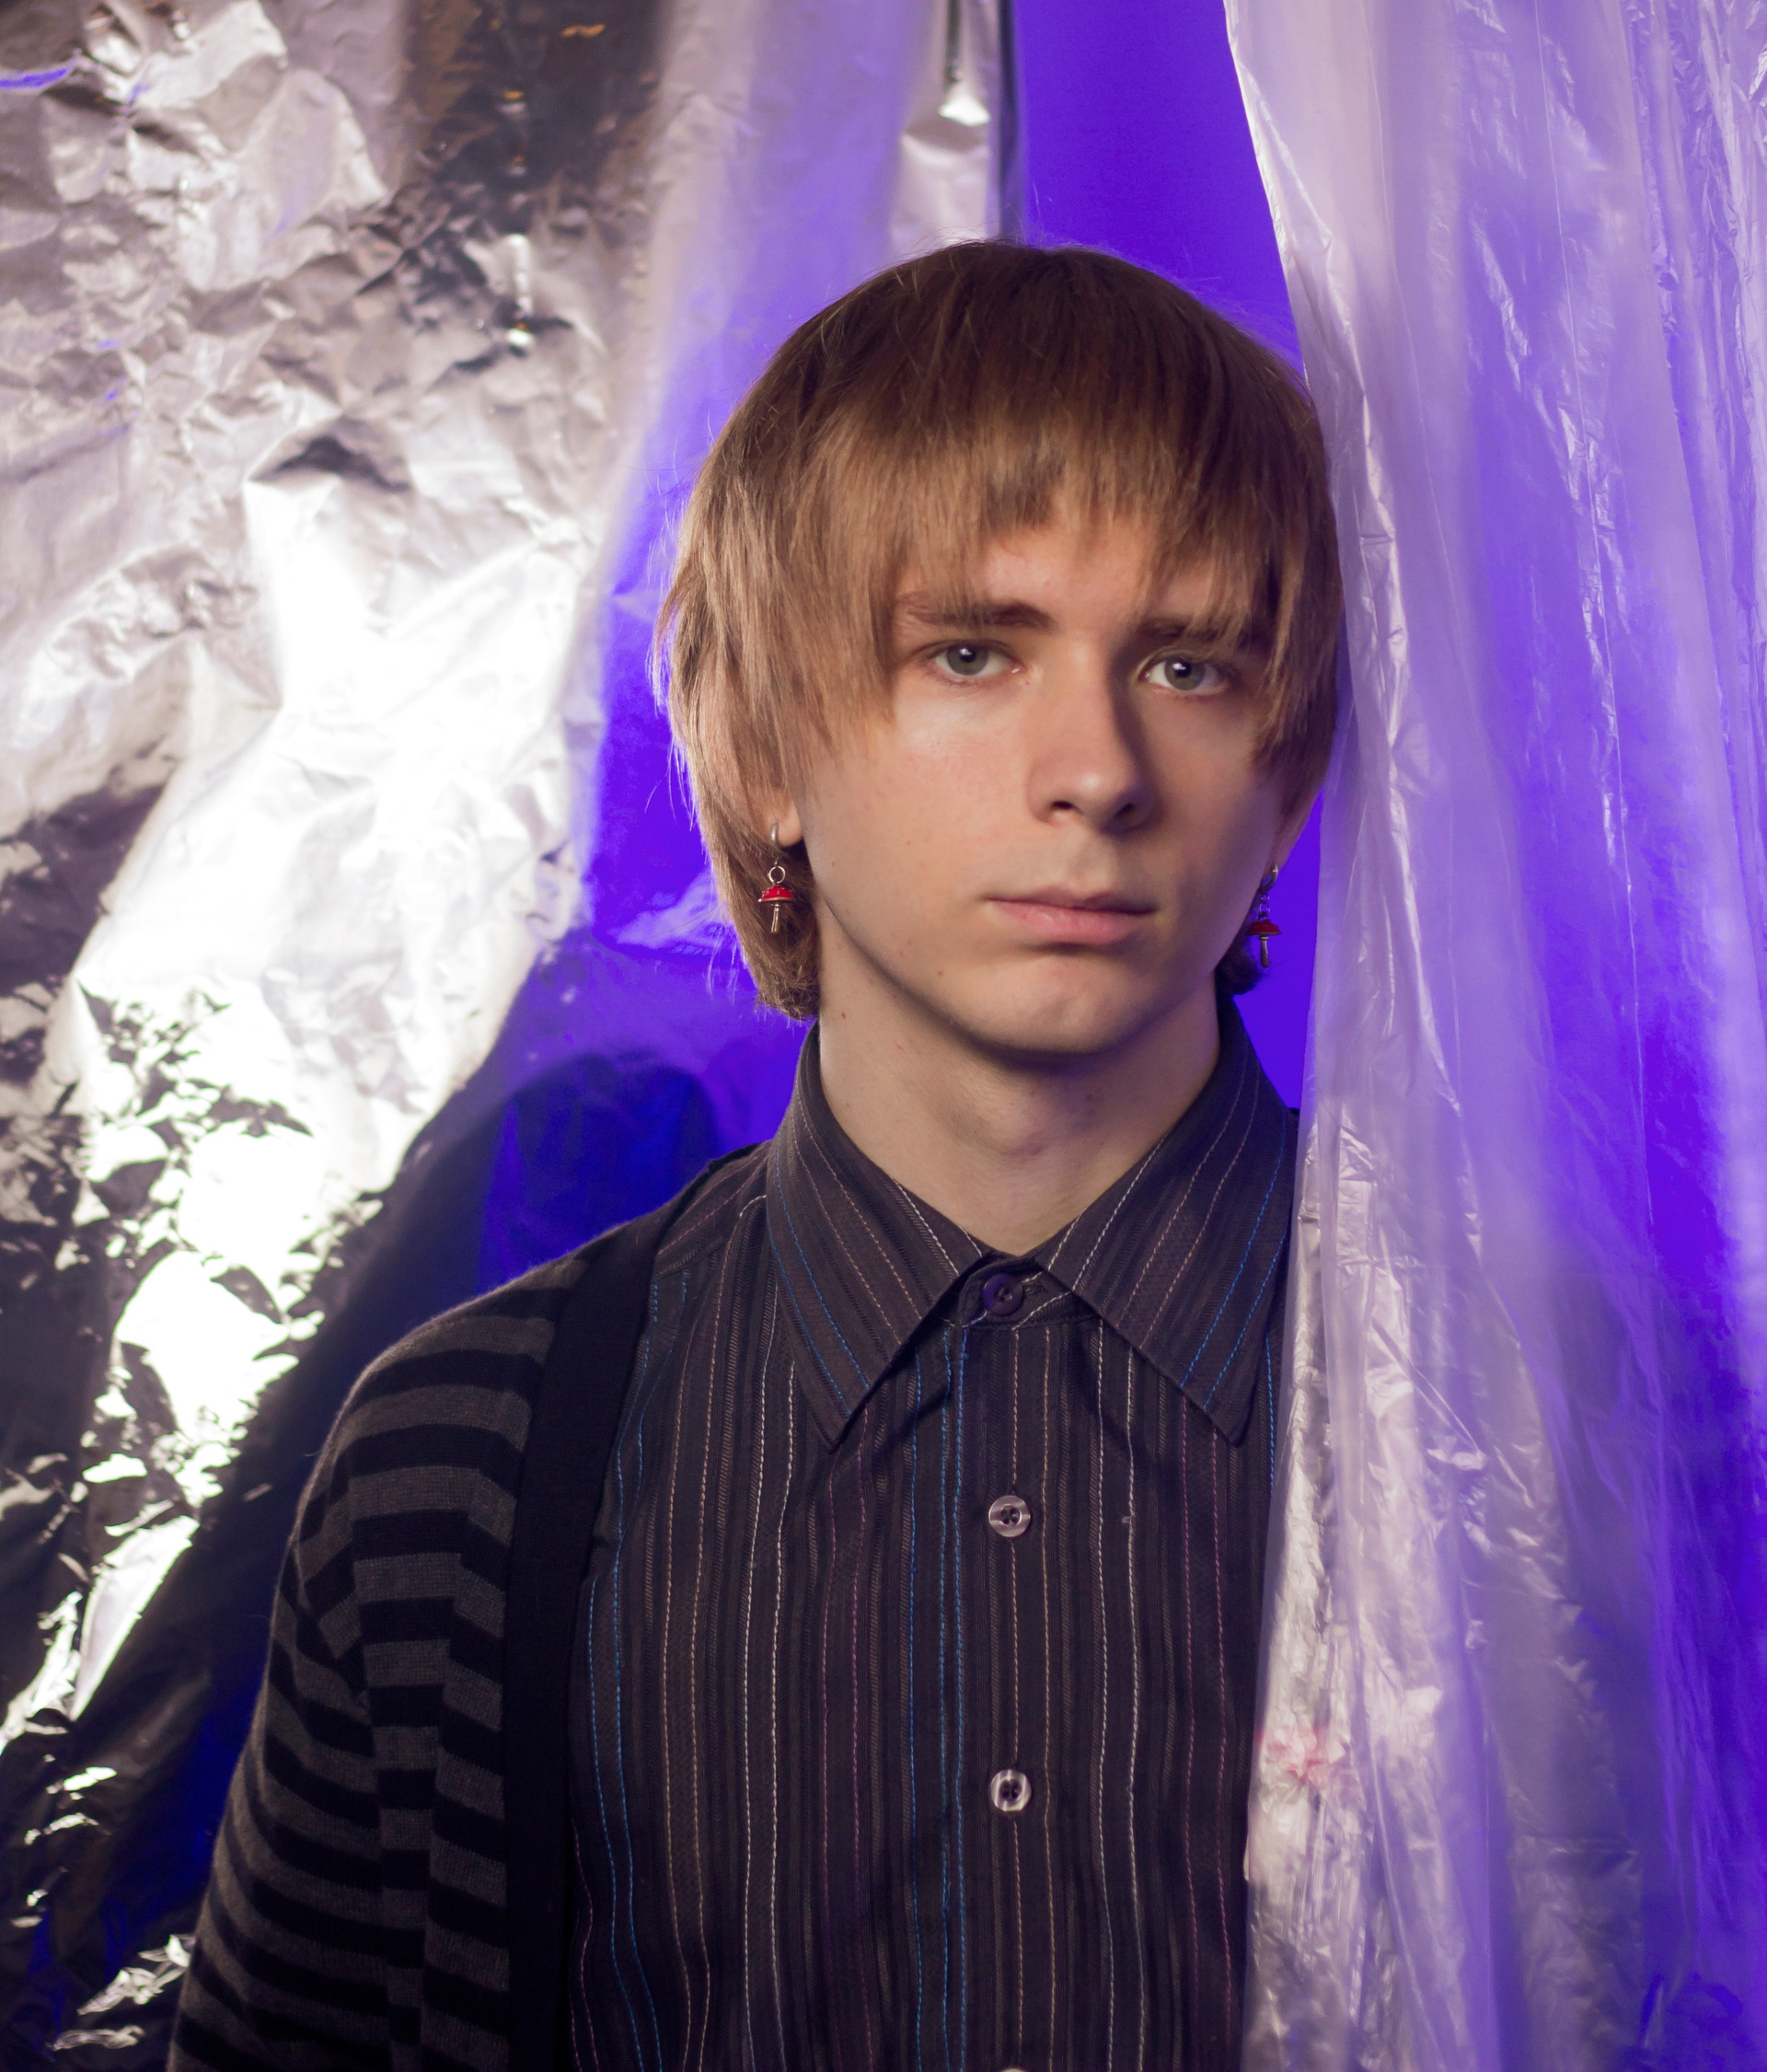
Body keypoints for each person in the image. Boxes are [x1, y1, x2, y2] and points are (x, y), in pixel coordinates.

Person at [169, 239, 1341, 2072]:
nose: (1098, 768)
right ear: (775, 743)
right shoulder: (459, 1465)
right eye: (973, 650)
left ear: (1285, 769)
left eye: (1189, 664)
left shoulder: (1573, 1425)